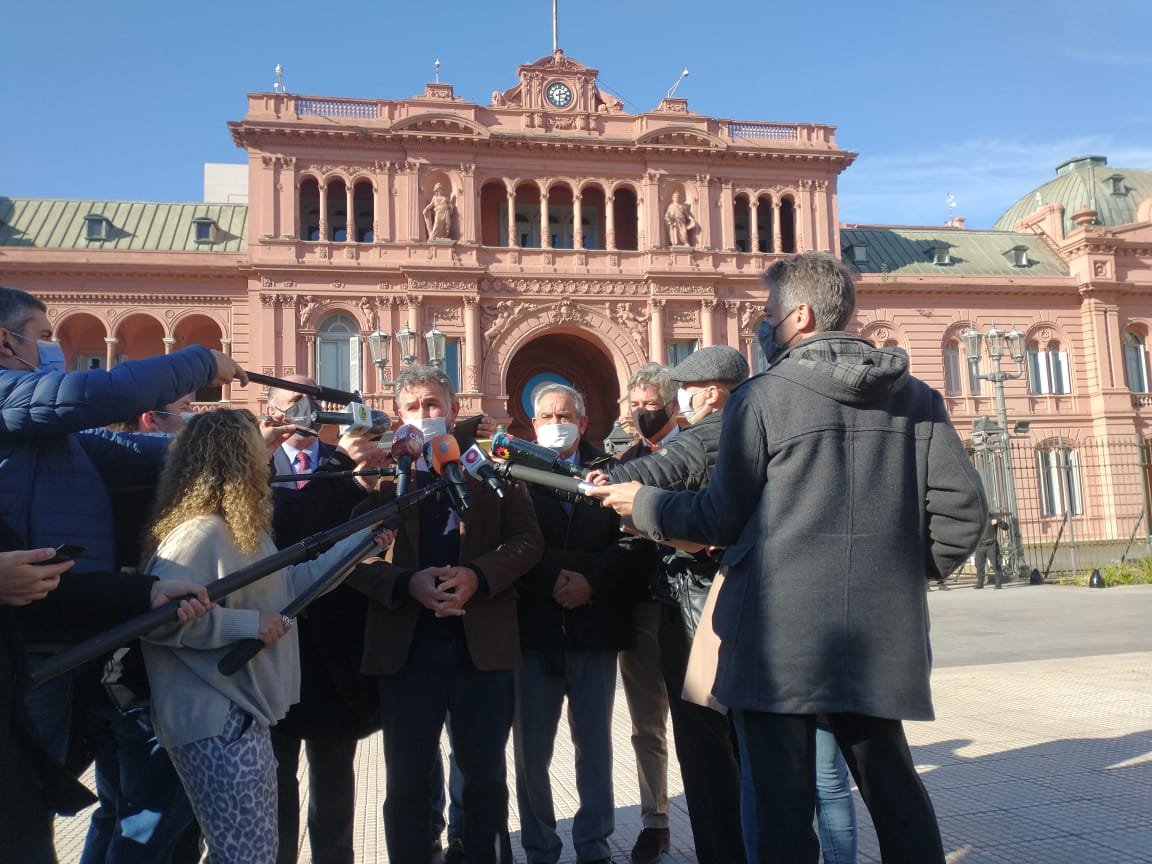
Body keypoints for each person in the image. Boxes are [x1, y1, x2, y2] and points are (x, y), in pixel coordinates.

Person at [592, 251, 988, 864]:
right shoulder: (917, 398)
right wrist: (894, 578)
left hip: (774, 641)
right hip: (879, 635)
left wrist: (644, 503)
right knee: (892, 788)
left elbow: (718, 518)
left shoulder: (761, 398)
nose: (765, 324)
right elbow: (963, 516)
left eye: (770, 312)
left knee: (779, 805)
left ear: (800, 316)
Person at [0, 284, 246, 864]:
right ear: (5, 343)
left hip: (66, 630)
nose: (55, 351)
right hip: (28, 640)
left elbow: (125, 450)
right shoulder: (14, 394)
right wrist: (202, 361)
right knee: (19, 812)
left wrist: (235, 448)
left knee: (38, 801)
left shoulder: (49, 432)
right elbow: (97, 394)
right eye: (43, 338)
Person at [140, 409, 393, 864]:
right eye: (257, 449)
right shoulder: (198, 534)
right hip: (215, 723)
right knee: (245, 856)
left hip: (242, 718)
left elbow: (289, 586)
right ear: (234, 458)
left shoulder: (240, 530)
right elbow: (158, 621)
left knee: (251, 853)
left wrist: (360, 545)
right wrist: (249, 625)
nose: (266, 459)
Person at [346, 365, 543, 864]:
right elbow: (351, 558)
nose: (424, 414)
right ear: (398, 416)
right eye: (413, 407)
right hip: (408, 649)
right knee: (407, 781)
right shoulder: (382, 476)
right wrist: (405, 583)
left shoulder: (487, 468)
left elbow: (528, 540)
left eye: (432, 404)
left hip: (482, 646)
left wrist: (478, 575)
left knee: (485, 779)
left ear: (453, 410)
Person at [593, 346, 751, 864]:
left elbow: (674, 467)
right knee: (736, 742)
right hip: (694, 603)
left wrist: (621, 488)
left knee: (707, 744)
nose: (676, 400)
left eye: (684, 390)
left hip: (694, 607)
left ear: (710, 393)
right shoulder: (760, 430)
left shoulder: (707, 435)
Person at [263, 377, 388, 864]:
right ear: (271, 411)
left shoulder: (356, 463)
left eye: (313, 402)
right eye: (294, 402)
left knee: (334, 781)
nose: (307, 411)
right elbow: (289, 528)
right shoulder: (255, 467)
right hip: (271, 645)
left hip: (335, 651)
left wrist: (362, 482)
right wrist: (342, 474)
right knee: (273, 781)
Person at [513, 383, 639, 864]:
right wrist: (551, 581)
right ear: (533, 424)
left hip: (594, 626)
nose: (555, 424)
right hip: (534, 630)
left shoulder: (612, 471)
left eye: (564, 416)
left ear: (582, 422)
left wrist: (591, 582)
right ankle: (540, 847)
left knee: (595, 746)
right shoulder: (516, 473)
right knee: (532, 752)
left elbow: (629, 541)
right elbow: (509, 540)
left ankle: (595, 845)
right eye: (546, 417)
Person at [612, 363, 678, 864]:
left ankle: (721, 808)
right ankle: (655, 821)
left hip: (693, 606)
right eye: (635, 405)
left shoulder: (696, 450)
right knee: (646, 724)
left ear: (672, 404)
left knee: (708, 719)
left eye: (650, 405)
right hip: (639, 608)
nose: (641, 414)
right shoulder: (625, 461)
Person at [973, 514, 1004, 589]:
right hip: (980, 545)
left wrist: (998, 521)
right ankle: (980, 583)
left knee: (996, 564)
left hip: (991, 545)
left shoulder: (993, 517)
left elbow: (1006, 527)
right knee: (979, 565)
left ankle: (998, 583)